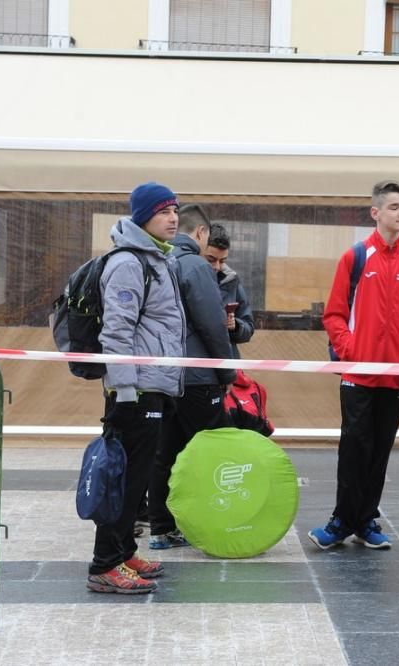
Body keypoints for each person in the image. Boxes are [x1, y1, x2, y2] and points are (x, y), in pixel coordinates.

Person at [308, 180, 399, 550]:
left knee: (380, 451)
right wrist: (350, 351)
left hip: (396, 378)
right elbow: (333, 314)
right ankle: (340, 520)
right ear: (375, 213)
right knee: (354, 449)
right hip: (358, 375)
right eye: (394, 206)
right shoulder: (356, 257)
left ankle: (366, 519)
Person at [86, 182, 186, 594]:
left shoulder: (156, 259)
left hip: (152, 386)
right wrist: (124, 389)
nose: (173, 217)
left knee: (138, 476)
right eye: (164, 211)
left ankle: (125, 551)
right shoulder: (129, 263)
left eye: (175, 210)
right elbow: (117, 331)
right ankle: (104, 564)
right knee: (124, 481)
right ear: (144, 216)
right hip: (135, 391)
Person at [145, 206, 238, 550]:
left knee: (165, 452)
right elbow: (213, 325)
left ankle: (161, 528)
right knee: (213, 453)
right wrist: (226, 371)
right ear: (201, 233)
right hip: (198, 378)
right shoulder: (195, 265)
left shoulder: (157, 260)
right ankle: (214, 522)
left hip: (164, 377)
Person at [198, 218, 255, 358]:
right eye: (210, 259)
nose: (217, 266)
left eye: (222, 261)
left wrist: (236, 326)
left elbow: (248, 327)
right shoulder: (184, 276)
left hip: (226, 364)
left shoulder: (232, 280)